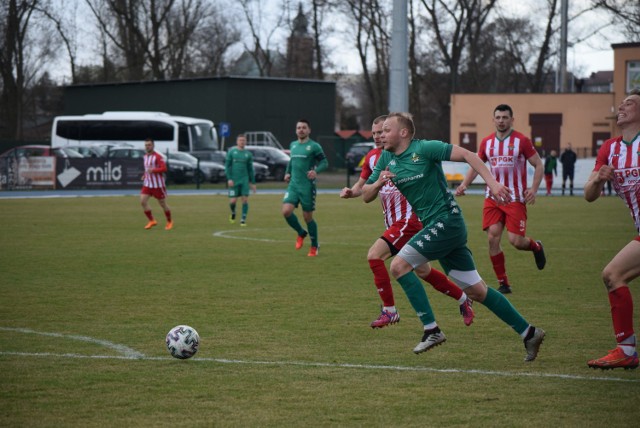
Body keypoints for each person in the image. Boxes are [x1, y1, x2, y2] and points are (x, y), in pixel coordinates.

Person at [362, 112, 545, 361]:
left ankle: (431, 329)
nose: (381, 135)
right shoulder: (386, 157)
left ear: (403, 132)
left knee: (399, 265)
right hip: (437, 227)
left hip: (447, 222)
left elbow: (470, 156)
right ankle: (529, 332)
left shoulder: (426, 148)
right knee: (477, 292)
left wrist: (491, 183)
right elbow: (365, 194)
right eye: (379, 132)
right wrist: (377, 184)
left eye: (386, 130)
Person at [340, 115, 474, 329]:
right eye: (374, 133)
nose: (378, 136)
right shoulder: (376, 158)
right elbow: (363, 189)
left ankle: (390, 311)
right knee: (423, 271)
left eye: (381, 132)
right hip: (393, 223)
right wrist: (351, 192)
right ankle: (463, 298)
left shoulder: (403, 153)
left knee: (375, 256)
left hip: (408, 221)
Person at [456, 104, 546, 294]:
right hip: (492, 198)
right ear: (493, 119)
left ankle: (536, 247)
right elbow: (476, 165)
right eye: (498, 117)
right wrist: (465, 184)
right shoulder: (487, 142)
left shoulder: (522, 140)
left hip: (515, 198)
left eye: (505, 117)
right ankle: (503, 282)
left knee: (516, 241)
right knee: (492, 238)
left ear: (512, 120)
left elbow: (538, 164)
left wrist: (534, 189)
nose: (501, 121)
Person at [584, 89, 640, 370]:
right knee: (613, 274)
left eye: (629, 103)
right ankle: (626, 350)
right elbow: (588, 194)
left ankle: (627, 350)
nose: (622, 106)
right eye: (621, 103)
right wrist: (598, 180)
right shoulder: (610, 149)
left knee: (613, 273)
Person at [282, 119, 328, 257]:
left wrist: (316, 171)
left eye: (304, 127)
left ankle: (314, 246)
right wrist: (287, 173)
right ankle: (301, 232)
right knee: (286, 211)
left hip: (307, 187)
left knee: (307, 217)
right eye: (299, 127)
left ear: (309, 130)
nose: (301, 130)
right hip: (293, 186)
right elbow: (291, 161)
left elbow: (324, 162)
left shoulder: (314, 146)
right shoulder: (293, 145)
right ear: (296, 130)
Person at [140, 138, 173, 230]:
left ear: (153, 145)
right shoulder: (145, 156)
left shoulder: (158, 156)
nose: (147, 146)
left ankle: (169, 221)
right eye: (146, 145)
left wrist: (153, 170)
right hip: (148, 184)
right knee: (143, 201)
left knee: (163, 204)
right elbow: (147, 169)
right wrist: (144, 175)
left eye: (149, 145)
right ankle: (152, 220)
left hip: (158, 185)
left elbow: (164, 168)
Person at [225, 134, 256, 226]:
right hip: (234, 180)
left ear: (245, 142)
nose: (242, 142)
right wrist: (229, 178)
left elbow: (250, 169)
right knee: (233, 201)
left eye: (243, 140)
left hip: (244, 180)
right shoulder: (231, 152)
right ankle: (233, 212)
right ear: (237, 142)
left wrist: (253, 182)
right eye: (240, 140)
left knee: (245, 200)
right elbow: (227, 166)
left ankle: (243, 219)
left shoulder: (248, 154)